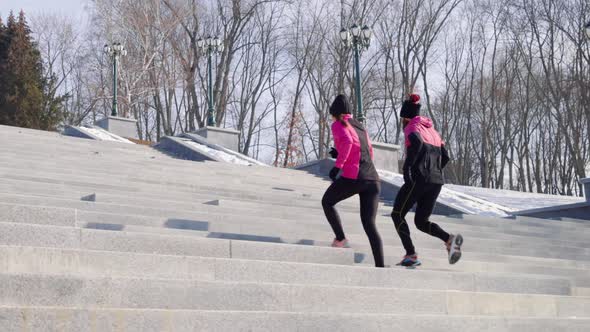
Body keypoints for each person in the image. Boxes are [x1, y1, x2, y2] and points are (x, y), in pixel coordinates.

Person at [391, 93, 463, 267]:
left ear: (405, 118)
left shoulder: (411, 128)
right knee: (421, 222)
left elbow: (417, 145)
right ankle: (449, 240)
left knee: (397, 214)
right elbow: (445, 156)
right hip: (436, 181)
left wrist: (407, 168)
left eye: (402, 120)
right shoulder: (433, 131)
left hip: (419, 179)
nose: (402, 124)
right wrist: (434, 170)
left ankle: (411, 254)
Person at [322, 94, 385, 268]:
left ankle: (341, 238)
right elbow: (368, 150)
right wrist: (340, 154)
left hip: (355, 177)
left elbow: (349, 142)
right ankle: (380, 266)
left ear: (335, 113)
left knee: (327, 202)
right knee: (369, 224)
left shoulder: (338, 123)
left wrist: (338, 165)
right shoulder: (359, 126)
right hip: (373, 178)